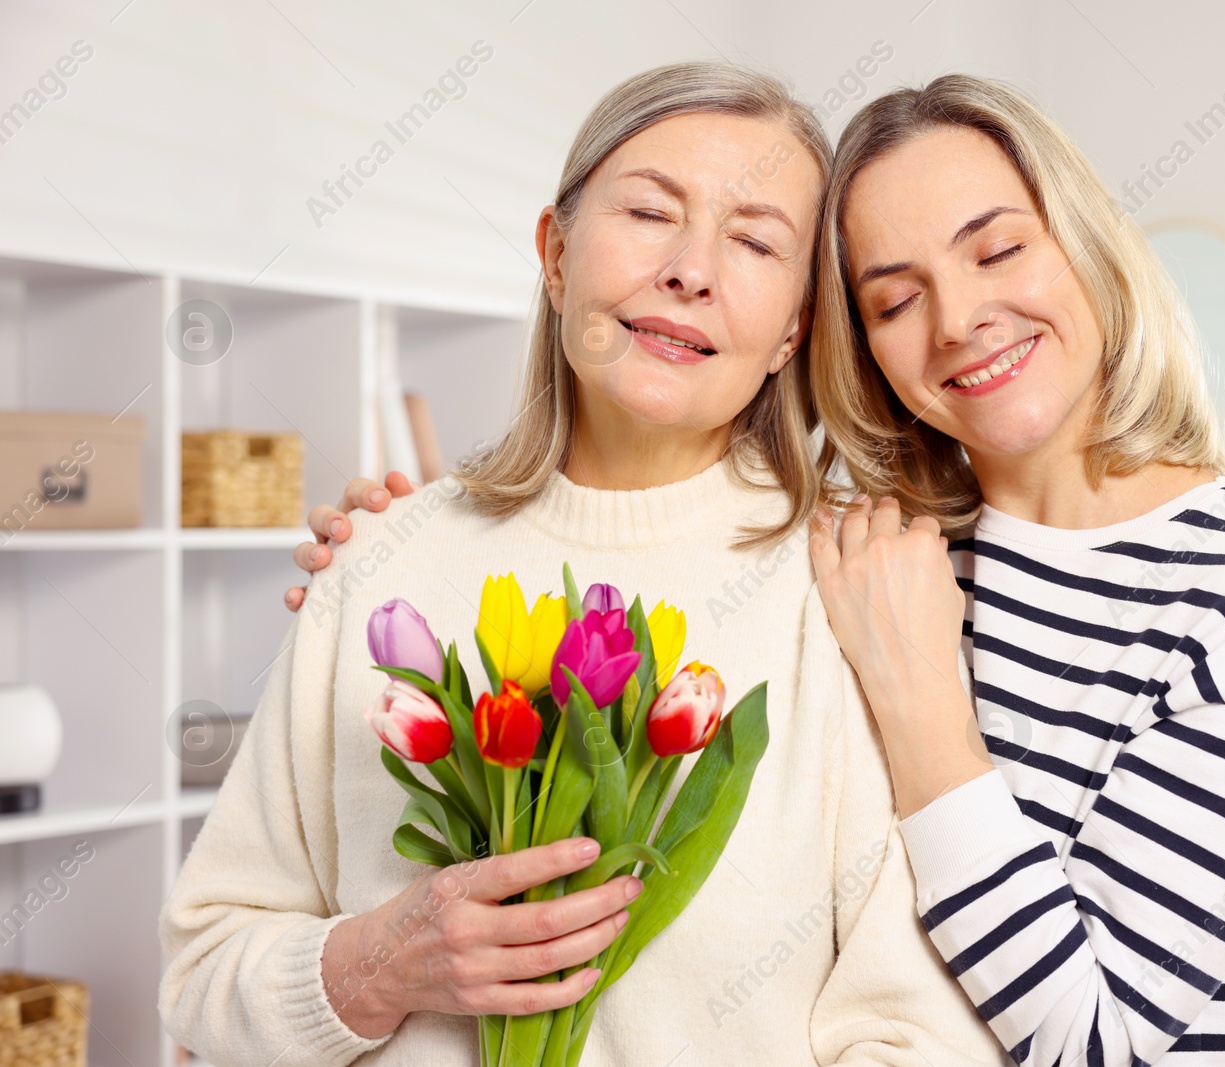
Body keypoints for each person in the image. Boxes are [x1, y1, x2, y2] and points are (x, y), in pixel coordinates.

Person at [161, 62, 1006, 1067]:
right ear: (556, 257)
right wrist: (376, 965)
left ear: (793, 326)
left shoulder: (852, 587)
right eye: (650, 212)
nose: (692, 269)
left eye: (752, 240)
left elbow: (921, 1036)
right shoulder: (380, 559)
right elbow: (200, 975)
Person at [802, 75, 1225, 1065]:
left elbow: (1093, 1041)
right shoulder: (898, 558)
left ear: (1088, 245)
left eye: (999, 249)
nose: (957, 318)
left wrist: (921, 695)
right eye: (895, 298)